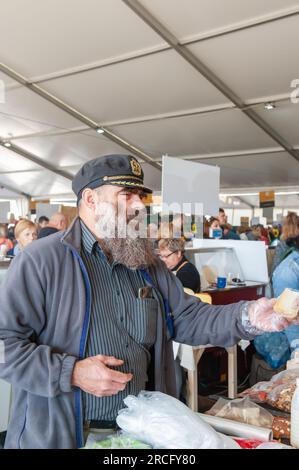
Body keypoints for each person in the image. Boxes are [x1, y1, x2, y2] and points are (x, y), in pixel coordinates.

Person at [0, 154, 297, 449]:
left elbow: (187, 318)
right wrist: (72, 373)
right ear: (91, 199)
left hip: (142, 436)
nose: (140, 205)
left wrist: (248, 316)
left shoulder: (146, 264)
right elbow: (6, 345)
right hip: (63, 435)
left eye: (140, 195)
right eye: (126, 195)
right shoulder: (40, 261)